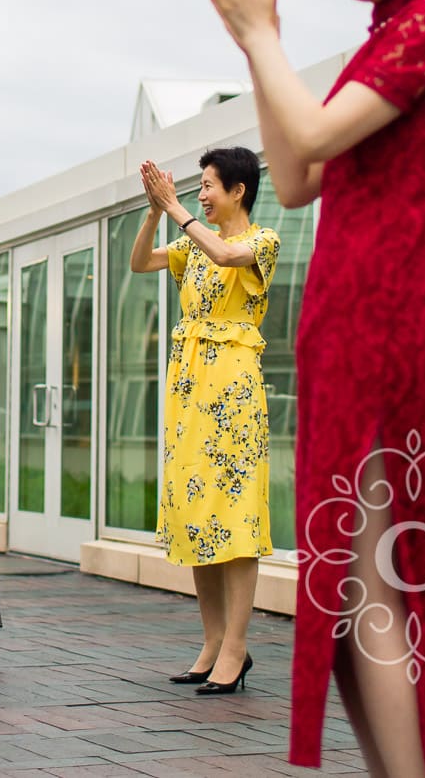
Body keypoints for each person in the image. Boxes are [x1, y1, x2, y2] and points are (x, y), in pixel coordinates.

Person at [198, 0, 425, 778]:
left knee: (372, 583)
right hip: (344, 316)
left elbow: (311, 130)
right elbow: (295, 172)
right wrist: (254, 45)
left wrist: (266, 40)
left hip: (391, 315)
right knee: (348, 584)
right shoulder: (388, 36)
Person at [129, 147, 278, 696]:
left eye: (209, 185)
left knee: (234, 519)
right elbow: (140, 262)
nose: (201, 194)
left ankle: (236, 648)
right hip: (189, 387)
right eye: (197, 186)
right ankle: (212, 641)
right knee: (197, 510)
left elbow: (223, 254)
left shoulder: (261, 241)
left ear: (238, 190)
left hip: (233, 389)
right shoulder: (189, 244)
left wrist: (175, 211)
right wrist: (152, 210)